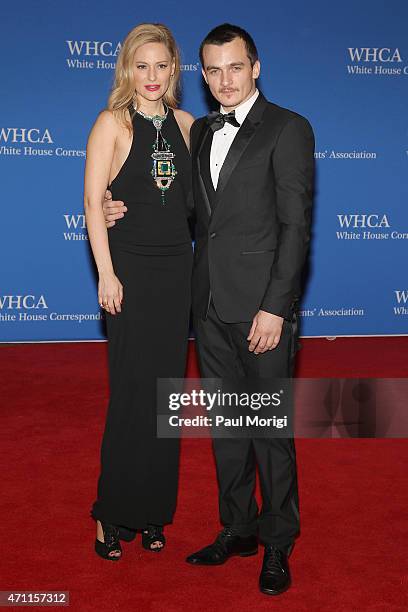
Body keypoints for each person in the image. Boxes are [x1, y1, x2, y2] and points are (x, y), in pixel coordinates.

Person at [103, 22, 314, 595]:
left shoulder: (288, 129)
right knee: (227, 425)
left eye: (236, 67)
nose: (225, 80)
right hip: (207, 302)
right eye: (213, 70)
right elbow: (171, 202)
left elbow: (296, 227)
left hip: (261, 307)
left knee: (268, 426)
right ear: (201, 74)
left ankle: (277, 541)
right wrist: (108, 201)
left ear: (256, 66)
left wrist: (276, 306)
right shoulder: (196, 134)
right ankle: (238, 527)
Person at [84, 23, 194, 561]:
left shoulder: (189, 125)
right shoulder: (112, 123)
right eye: (142, 66)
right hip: (129, 271)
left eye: (162, 66)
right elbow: (91, 204)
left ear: (175, 70)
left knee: (165, 398)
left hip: (178, 273)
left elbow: (201, 203)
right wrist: (106, 272)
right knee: (131, 393)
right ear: (128, 69)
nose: (152, 77)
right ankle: (111, 512)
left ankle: (153, 511)